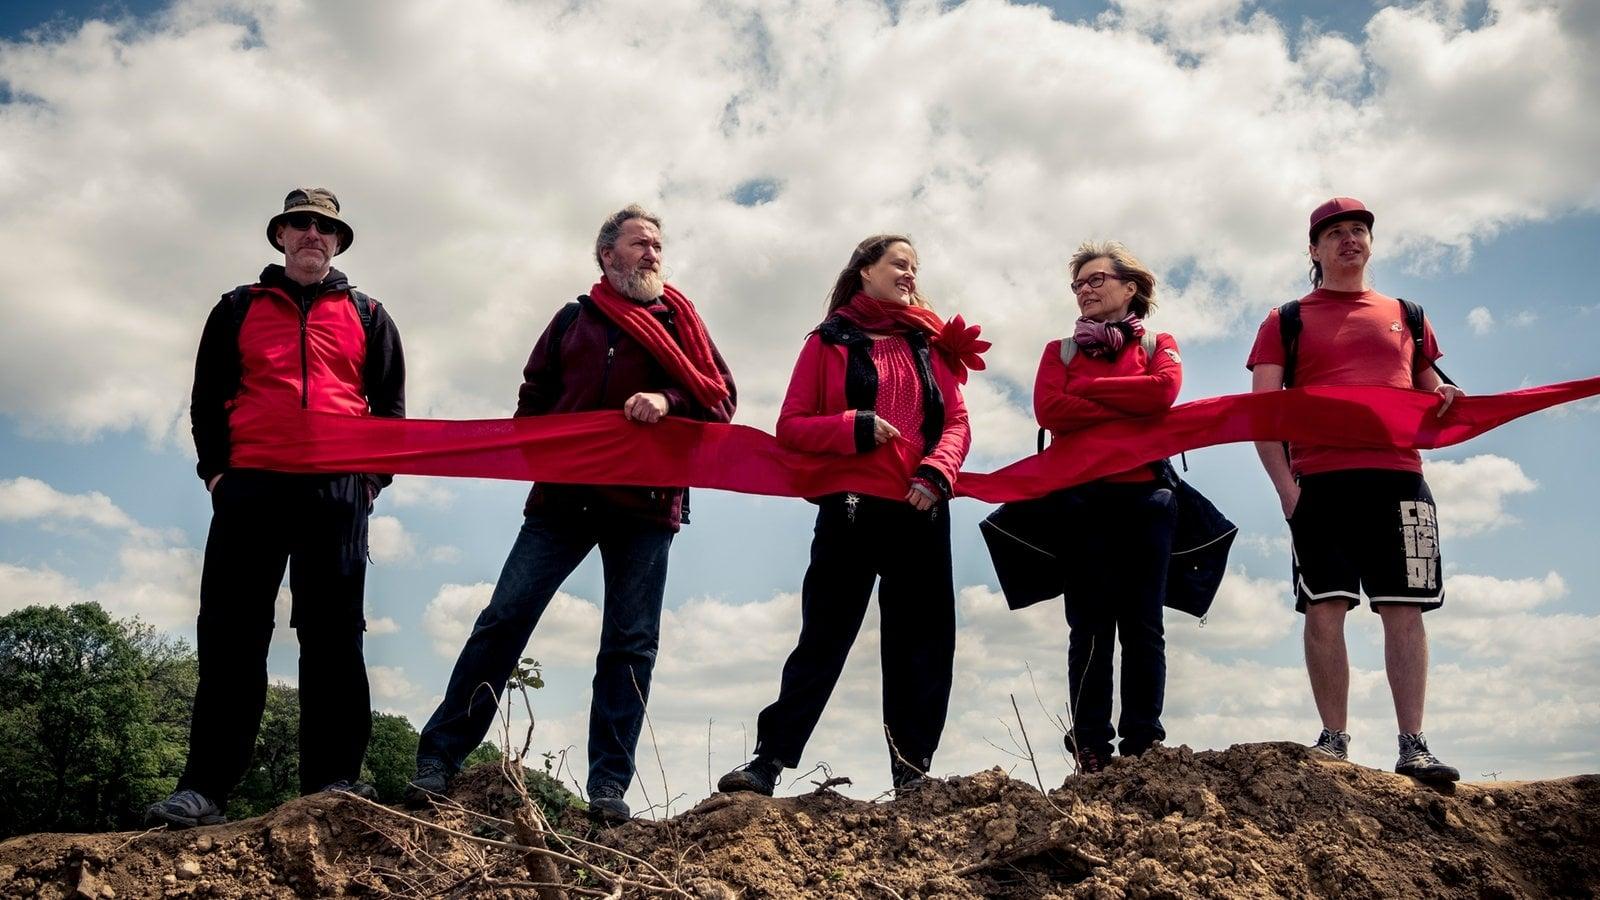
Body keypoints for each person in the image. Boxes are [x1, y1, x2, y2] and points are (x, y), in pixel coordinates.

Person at [407, 205, 736, 824]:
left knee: (629, 643)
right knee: (503, 620)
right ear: (607, 255)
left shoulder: (682, 323)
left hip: (646, 505)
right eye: (640, 244)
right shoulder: (572, 321)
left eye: (658, 245)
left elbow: (720, 397)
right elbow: (532, 401)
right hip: (562, 501)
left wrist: (666, 401)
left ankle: (608, 788)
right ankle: (437, 762)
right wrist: (552, 446)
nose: (652, 254)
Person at [147, 188, 407, 828]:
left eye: (324, 227)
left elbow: (391, 413)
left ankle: (333, 784)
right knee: (232, 634)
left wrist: (370, 480)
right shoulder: (236, 308)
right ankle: (205, 789)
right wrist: (215, 475)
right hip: (251, 489)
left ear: (338, 241)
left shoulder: (371, 315)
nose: (312, 234)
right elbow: (207, 400)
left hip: (337, 494)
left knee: (333, 638)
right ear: (281, 236)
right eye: (300, 225)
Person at [718, 234, 976, 796]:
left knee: (923, 642)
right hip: (851, 510)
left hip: (923, 506)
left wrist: (938, 471)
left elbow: (957, 421)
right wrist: (852, 425)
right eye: (898, 264)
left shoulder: (932, 345)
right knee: (824, 637)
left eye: (915, 266)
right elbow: (791, 425)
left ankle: (912, 775)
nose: (910, 274)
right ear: (864, 271)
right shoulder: (827, 342)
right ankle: (769, 763)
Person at [1247, 197, 1463, 782]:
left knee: (1406, 610)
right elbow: (1260, 413)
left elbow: (1430, 390)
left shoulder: (1408, 314)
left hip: (1402, 481)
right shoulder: (1285, 320)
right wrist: (1287, 492)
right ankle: (1334, 740)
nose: (1350, 240)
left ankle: (1413, 745)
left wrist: (1445, 393)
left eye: (1359, 231)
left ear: (1370, 243)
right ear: (1314, 250)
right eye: (1336, 233)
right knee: (1325, 607)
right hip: (1321, 483)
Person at [1031, 242, 1182, 774]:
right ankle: (1090, 745)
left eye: (1096, 280)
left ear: (1130, 288)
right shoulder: (1060, 352)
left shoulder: (1161, 343)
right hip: (1081, 501)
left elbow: (1162, 394)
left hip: (1147, 499)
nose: (1085, 290)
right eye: (1078, 285)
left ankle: (1144, 744)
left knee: (1144, 626)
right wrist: (1125, 398)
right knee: (1090, 628)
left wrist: (1090, 399)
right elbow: (1050, 408)